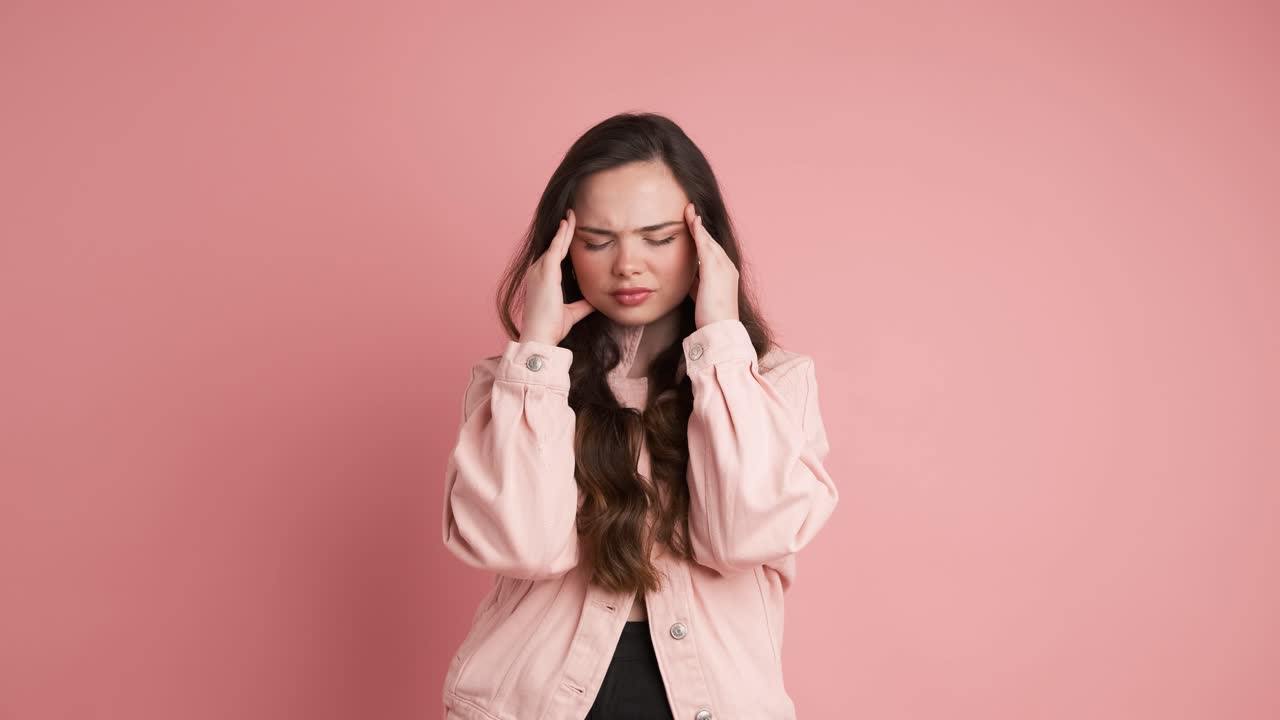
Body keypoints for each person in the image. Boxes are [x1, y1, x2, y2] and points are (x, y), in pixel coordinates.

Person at [440, 112, 838, 720]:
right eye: (598, 241)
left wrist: (721, 346)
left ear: (706, 242)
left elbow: (744, 535)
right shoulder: (516, 385)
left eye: (658, 238)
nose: (627, 264)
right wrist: (538, 358)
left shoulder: (770, 381)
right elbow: (521, 546)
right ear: (562, 249)